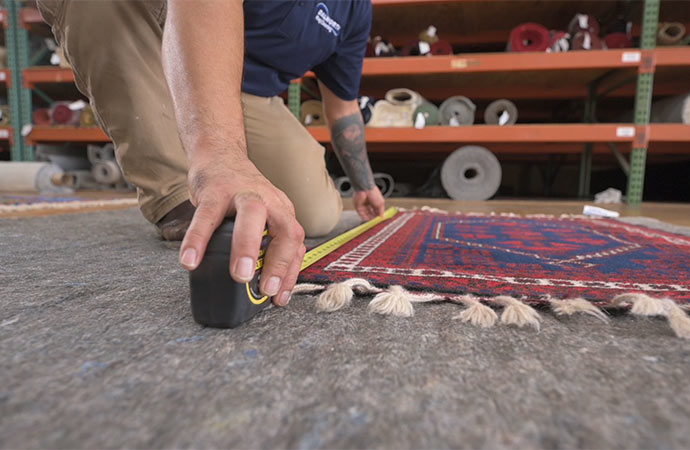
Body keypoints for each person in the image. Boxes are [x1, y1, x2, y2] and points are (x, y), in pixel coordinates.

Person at [37, 0, 385, 308]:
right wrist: (219, 158)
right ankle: (174, 194)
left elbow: (343, 110)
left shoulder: (355, 10)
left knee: (316, 212)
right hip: (152, 31)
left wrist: (364, 185)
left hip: (246, 90)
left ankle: (214, 160)